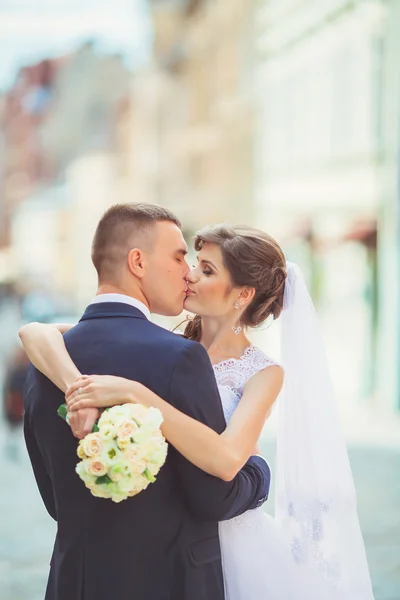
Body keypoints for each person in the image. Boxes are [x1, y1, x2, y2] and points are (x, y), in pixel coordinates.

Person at [20, 214, 375, 599]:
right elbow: (35, 333)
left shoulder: (262, 373)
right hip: (175, 547)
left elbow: (226, 459)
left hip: (230, 542)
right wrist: (78, 388)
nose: (188, 275)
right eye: (190, 262)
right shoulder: (170, 349)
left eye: (205, 269)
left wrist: (135, 393)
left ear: (242, 294)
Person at [20, 204, 271, 600]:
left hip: (76, 582)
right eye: (178, 256)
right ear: (137, 261)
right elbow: (213, 498)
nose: (186, 271)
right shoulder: (182, 358)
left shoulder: (45, 360)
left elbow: (55, 501)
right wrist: (259, 471)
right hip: (172, 583)